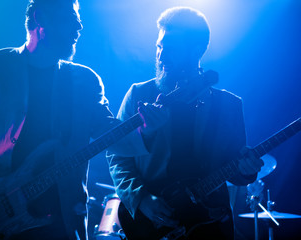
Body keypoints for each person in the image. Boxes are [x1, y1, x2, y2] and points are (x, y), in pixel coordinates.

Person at [0, 0, 164, 239]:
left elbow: (109, 134)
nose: (79, 26)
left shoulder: (84, 80)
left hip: (60, 221)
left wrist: (146, 130)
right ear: (40, 18)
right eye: (70, 17)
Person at [108, 7, 264, 240]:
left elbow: (235, 170)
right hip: (153, 223)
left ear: (197, 51)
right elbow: (117, 156)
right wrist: (140, 199)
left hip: (211, 226)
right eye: (159, 47)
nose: (161, 57)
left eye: (170, 49)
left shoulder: (229, 105)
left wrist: (247, 172)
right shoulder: (139, 94)